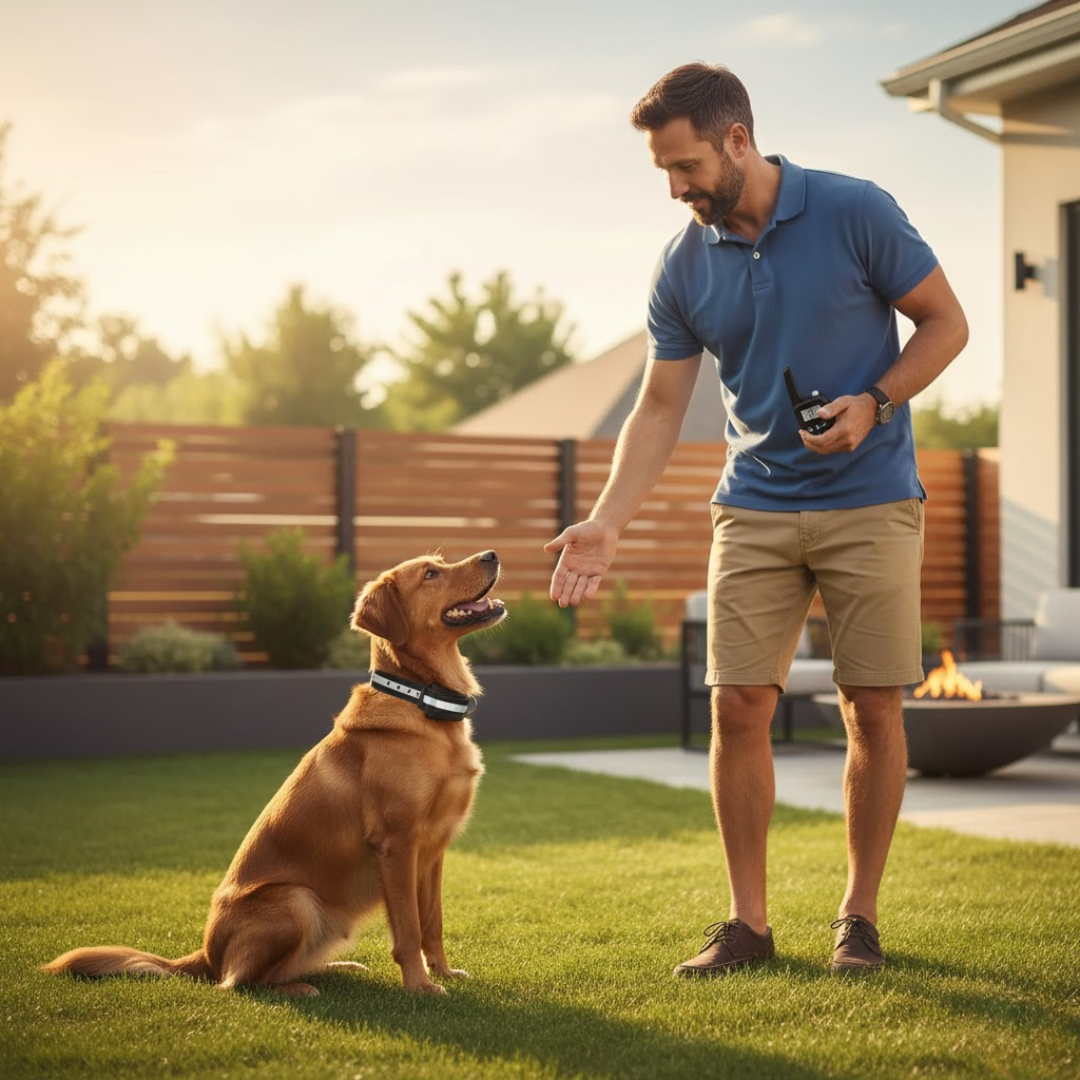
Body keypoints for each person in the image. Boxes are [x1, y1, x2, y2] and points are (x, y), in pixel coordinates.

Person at [545, 62, 968, 976]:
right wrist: (608, 520)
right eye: (664, 170)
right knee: (737, 704)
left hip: (872, 499)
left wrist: (875, 402)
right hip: (754, 506)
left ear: (737, 140)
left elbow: (945, 322)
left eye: (687, 166)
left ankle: (858, 916)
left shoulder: (856, 210)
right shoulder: (683, 264)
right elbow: (658, 410)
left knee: (873, 708)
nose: (676, 188)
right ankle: (749, 925)